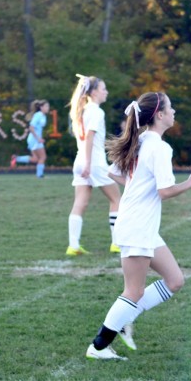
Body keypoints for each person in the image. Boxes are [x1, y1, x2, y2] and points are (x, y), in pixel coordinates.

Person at [86, 91, 191, 360]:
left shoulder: (139, 141)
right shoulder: (160, 148)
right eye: (171, 108)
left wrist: (136, 187)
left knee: (175, 281)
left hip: (142, 226)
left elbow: (113, 172)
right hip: (137, 225)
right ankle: (98, 347)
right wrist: (190, 182)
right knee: (134, 291)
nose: (174, 112)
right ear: (160, 115)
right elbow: (165, 191)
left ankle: (128, 316)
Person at [66, 74, 122, 256]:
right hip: (93, 162)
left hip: (80, 161)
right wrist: (89, 164)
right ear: (95, 92)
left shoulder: (82, 110)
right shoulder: (96, 111)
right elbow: (90, 137)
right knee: (116, 200)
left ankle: (73, 246)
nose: (106, 92)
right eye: (103, 88)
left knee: (80, 203)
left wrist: (85, 163)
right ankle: (117, 242)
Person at [11, 99, 50, 178]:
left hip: (35, 139)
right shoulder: (38, 115)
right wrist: (38, 138)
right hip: (34, 139)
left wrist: (39, 138)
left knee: (35, 159)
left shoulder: (43, 116)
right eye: (46, 106)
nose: (48, 108)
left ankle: (16, 159)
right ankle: (40, 175)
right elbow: (31, 128)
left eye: (48, 106)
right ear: (41, 107)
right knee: (43, 157)